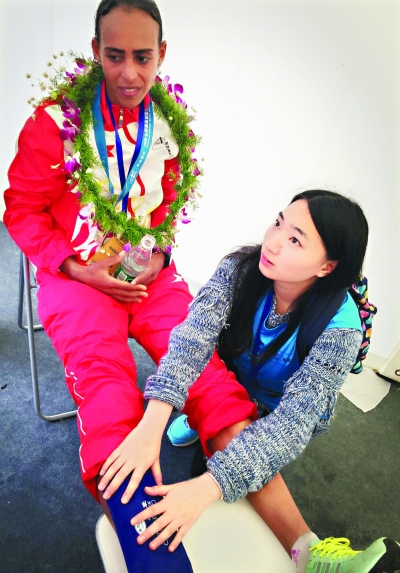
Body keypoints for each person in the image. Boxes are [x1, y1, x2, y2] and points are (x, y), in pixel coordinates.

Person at [97, 190, 400, 573]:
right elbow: (193, 338)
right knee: (207, 419)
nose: (272, 243)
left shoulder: (340, 331)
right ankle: (198, 424)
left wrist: (208, 486)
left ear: (327, 267)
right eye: (278, 223)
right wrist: (151, 422)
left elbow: (291, 426)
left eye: (295, 240)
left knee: (238, 451)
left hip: (277, 409)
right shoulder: (240, 269)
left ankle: (312, 555)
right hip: (234, 377)